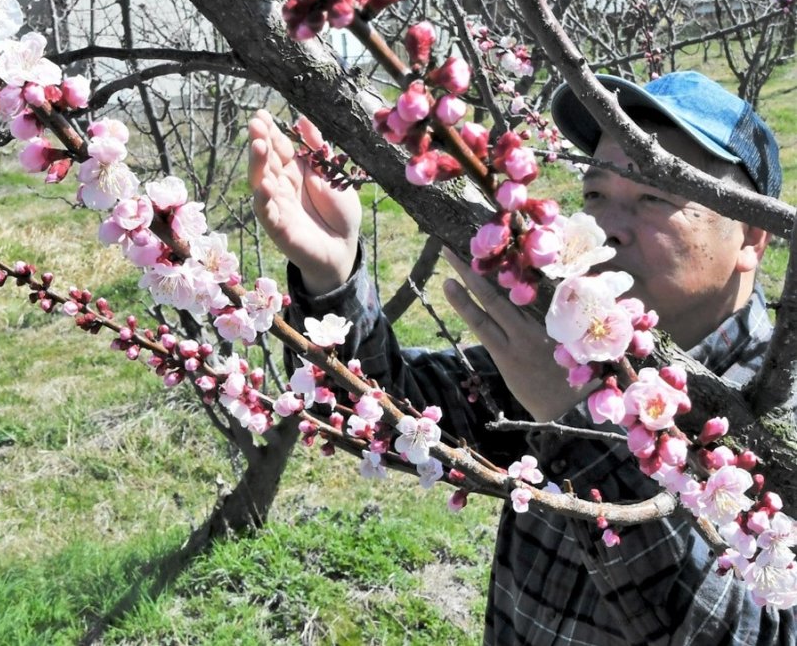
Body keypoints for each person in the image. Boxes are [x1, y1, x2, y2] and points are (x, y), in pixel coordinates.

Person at [248, 71, 795, 646]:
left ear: (752, 236)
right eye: (596, 194)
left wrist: (574, 422)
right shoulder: (573, 349)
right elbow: (384, 412)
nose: (606, 227)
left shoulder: (781, 422)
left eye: (655, 196)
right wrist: (330, 273)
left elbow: (756, 633)